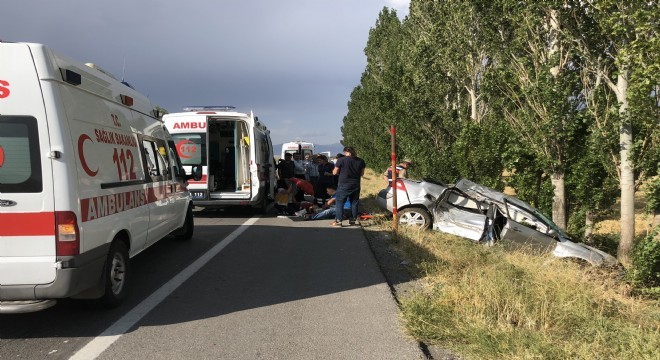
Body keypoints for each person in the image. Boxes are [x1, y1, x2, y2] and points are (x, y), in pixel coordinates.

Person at [332, 146, 366, 227]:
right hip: (356, 184)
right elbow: (361, 174)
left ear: (346, 152)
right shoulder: (361, 161)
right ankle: (353, 220)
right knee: (354, 202)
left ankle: (339, 221)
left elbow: (334, 172)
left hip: (344, 184)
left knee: (340, 202)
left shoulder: (341, 160)